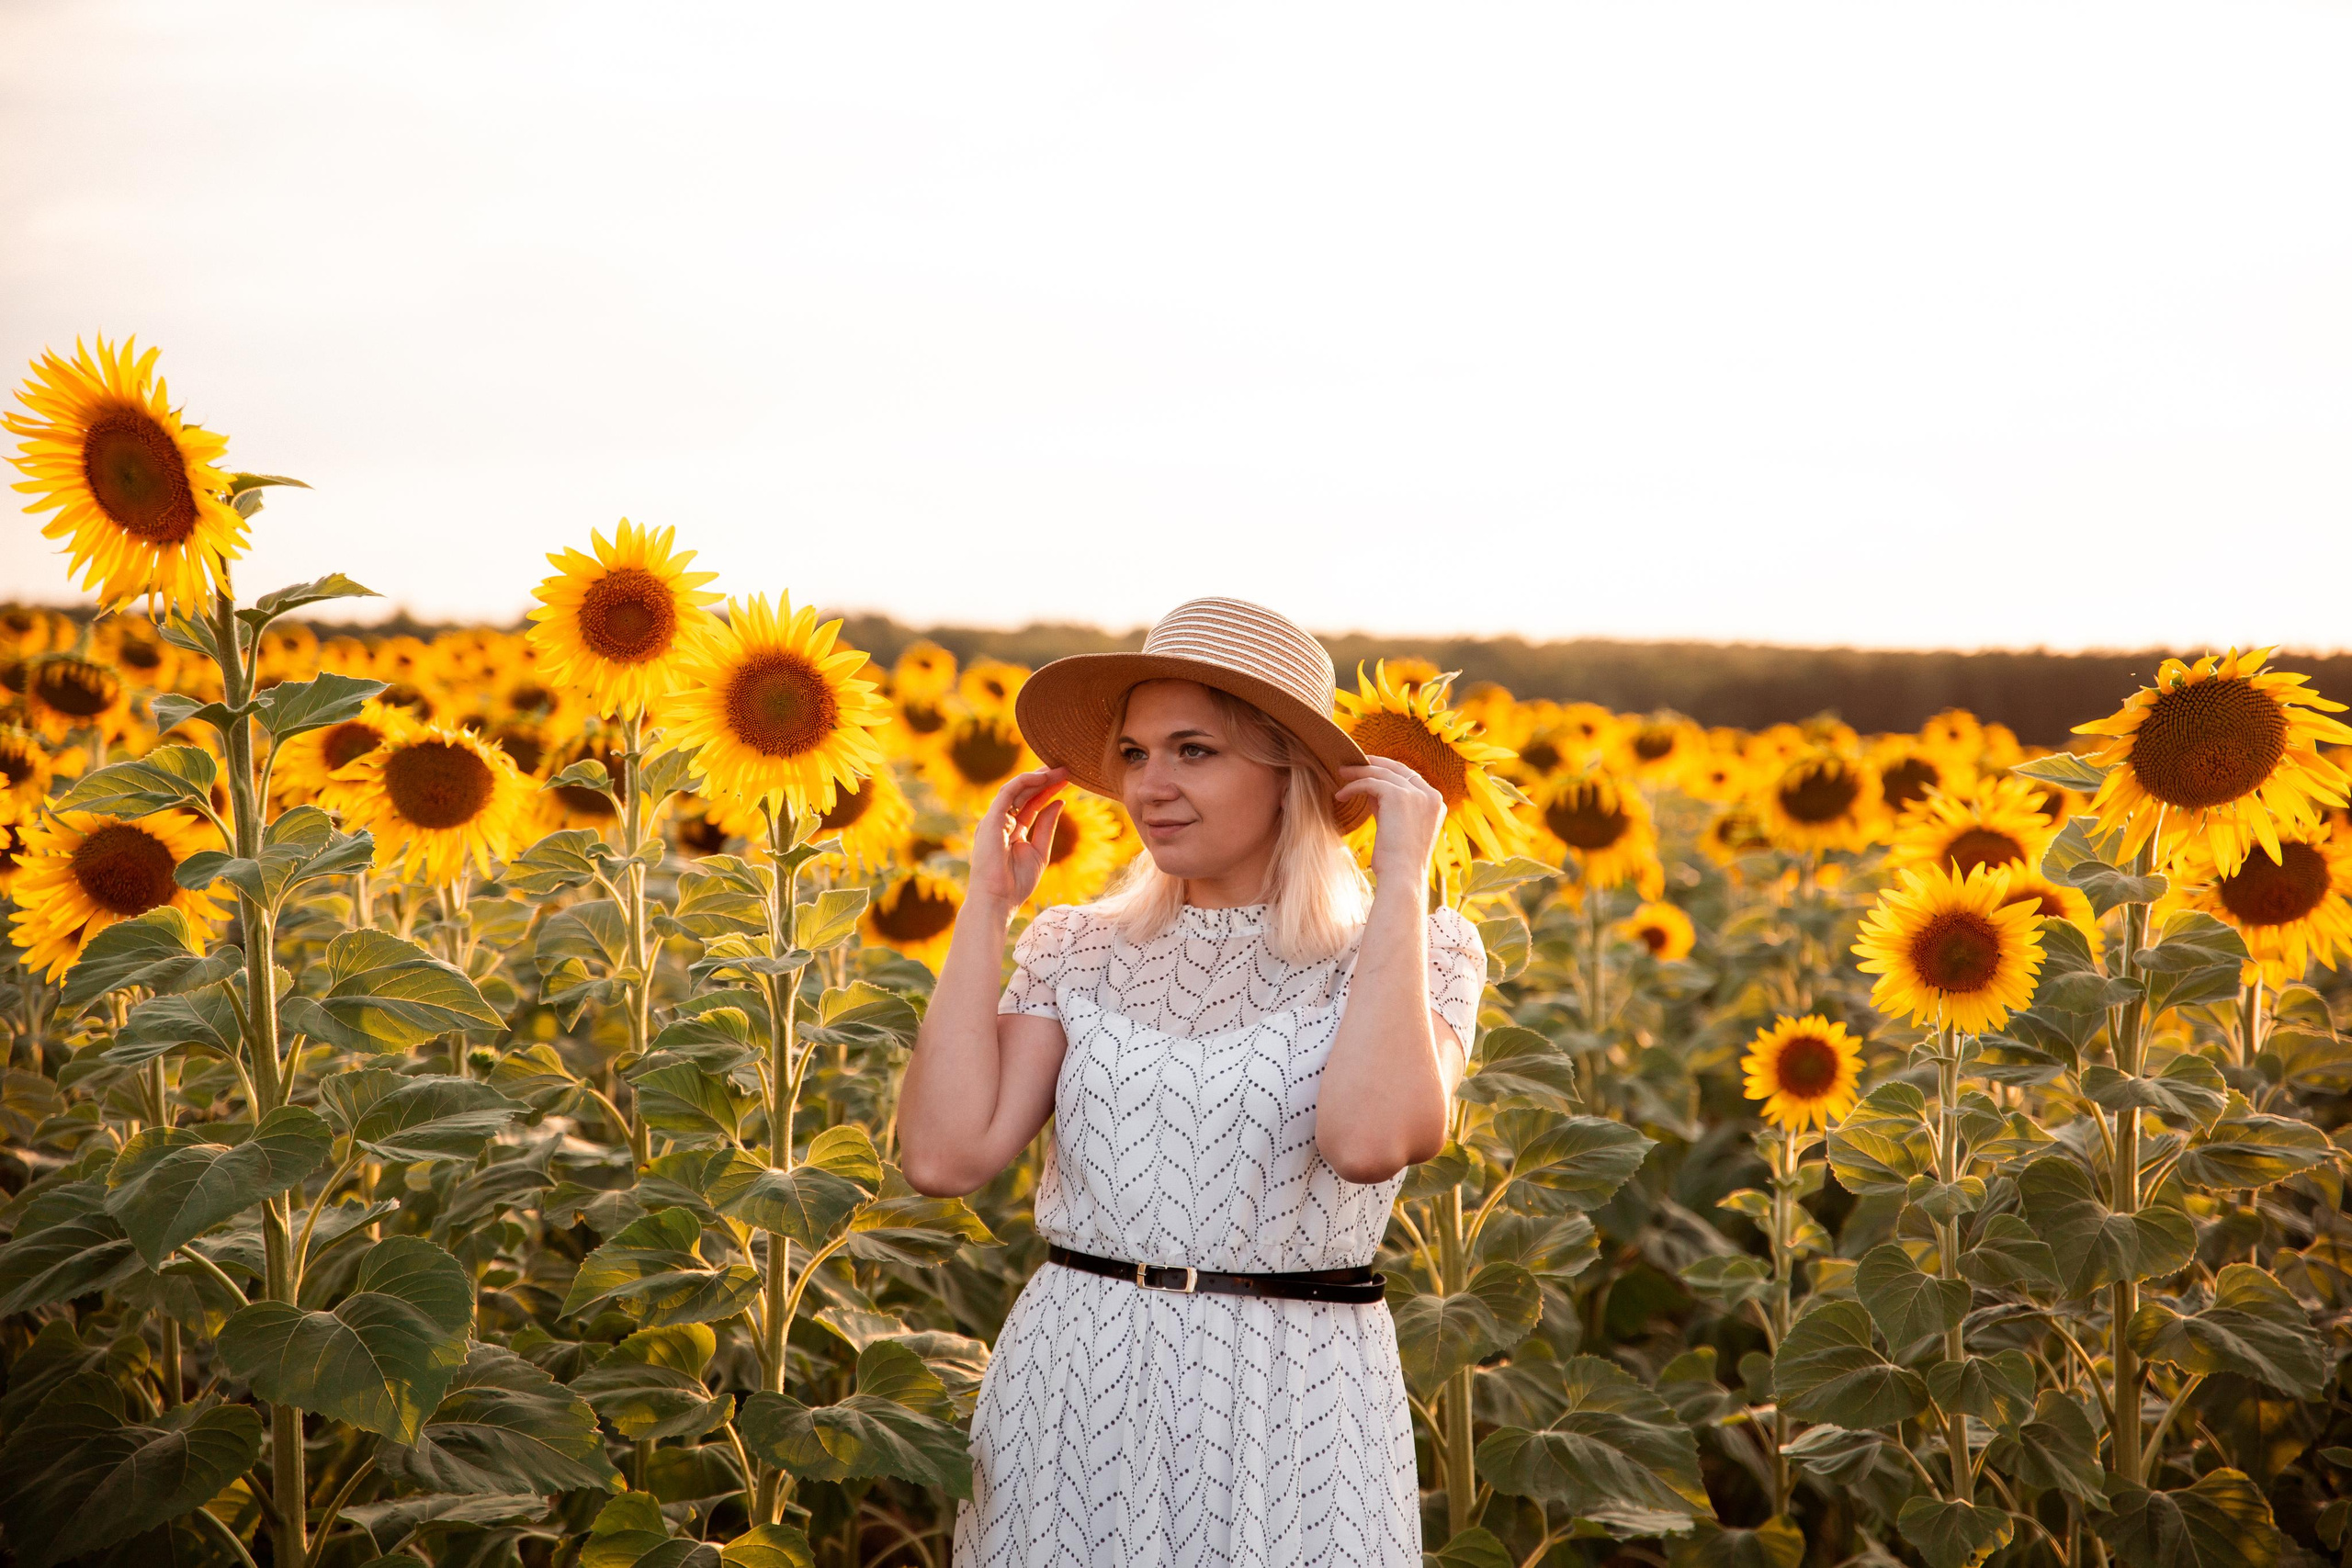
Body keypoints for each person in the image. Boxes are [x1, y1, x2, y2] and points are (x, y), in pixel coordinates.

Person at [896, 595, 1486, 1566]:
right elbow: (943, 1154)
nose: (1148, 787)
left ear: (1289, 771)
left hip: (1293, 1394)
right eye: (1133, 754)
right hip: (1076, 1380)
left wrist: (1399, 887)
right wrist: (987, 909)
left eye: (1192, 751)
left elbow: (1369, 1141)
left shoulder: (1424, 952)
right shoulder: (1075, 946)